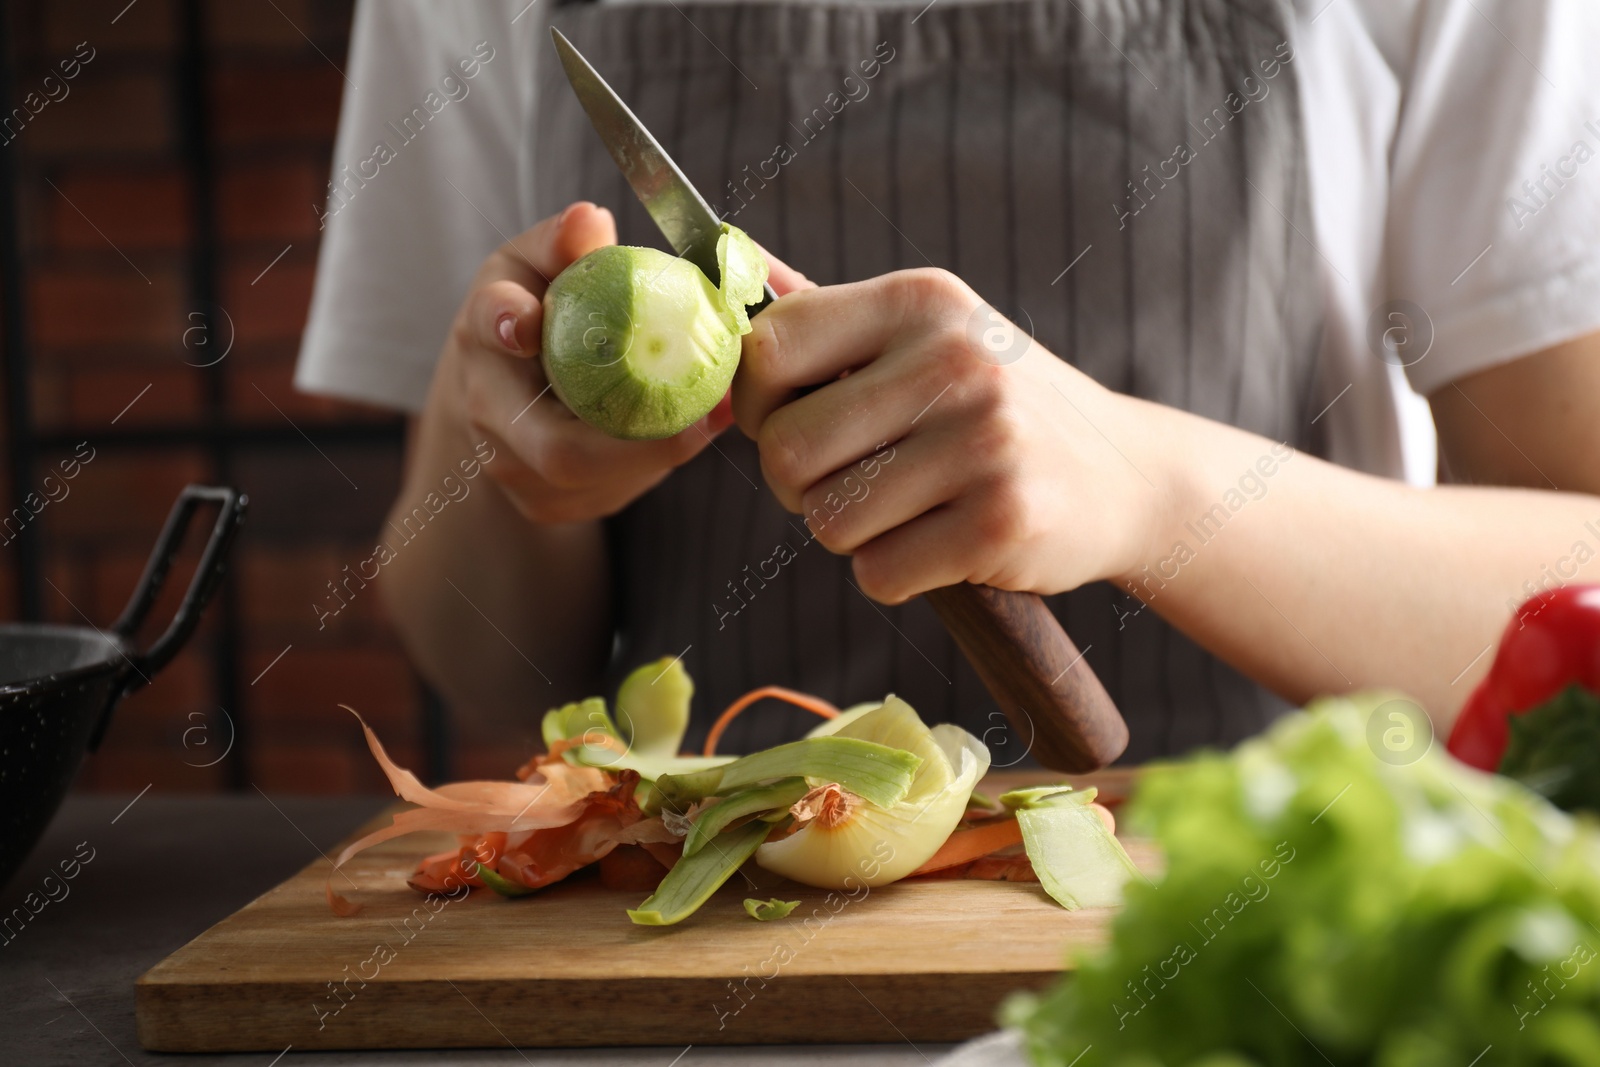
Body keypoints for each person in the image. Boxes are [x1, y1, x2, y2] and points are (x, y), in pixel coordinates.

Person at [297, 0, 1600, 763]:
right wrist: (517, 473)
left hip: (1254, 960)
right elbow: (484, 667)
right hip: (696, 968)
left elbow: (1575, 618)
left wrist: (1157, 489)